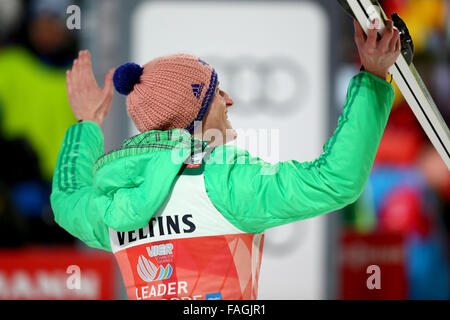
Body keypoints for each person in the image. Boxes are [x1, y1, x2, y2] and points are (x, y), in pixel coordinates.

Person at [51, 20, 401, 300]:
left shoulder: (112, 201)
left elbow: (67, 201)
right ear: (194, 115)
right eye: (217, 92)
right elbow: (334, 181)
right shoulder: (222, 179)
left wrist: (87, 125)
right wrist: (371, 78)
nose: (229, 100)